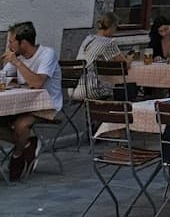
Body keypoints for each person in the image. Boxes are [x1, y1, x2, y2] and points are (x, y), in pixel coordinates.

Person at [0, 21, 62, 179]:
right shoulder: (18, 57)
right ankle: (28, 143)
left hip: (47, 105)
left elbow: (37, 83)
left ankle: (18, 153)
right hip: (23, 105)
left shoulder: (47, 54)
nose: (9, 45)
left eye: (11, 41)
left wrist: (16, 62)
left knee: (21, 125)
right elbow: (4, 78)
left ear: (24, 42)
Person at [74, 12, 127, 99]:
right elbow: (124, 65)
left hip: (74, 89)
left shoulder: (88, 39)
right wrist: (129, 58)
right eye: (116, 27)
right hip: (91, 89)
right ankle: (117, 111)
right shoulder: (108, 42)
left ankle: (96, 111)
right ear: (113, 26)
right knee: (120, 89)